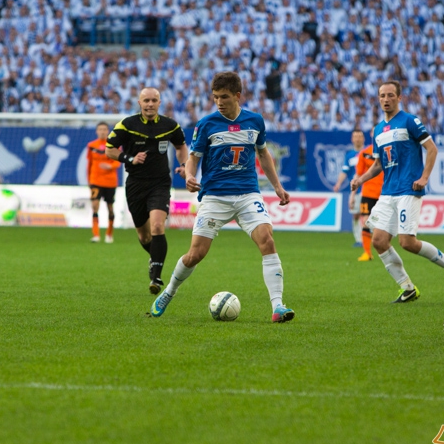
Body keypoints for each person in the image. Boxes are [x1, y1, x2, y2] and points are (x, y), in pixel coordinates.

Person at [149, 71, 295, 323]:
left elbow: (263, 154)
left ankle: (278, 306)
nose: (219, 102)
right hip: (215, 196)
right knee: (196, 254)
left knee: (267, 241)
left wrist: (277, 187)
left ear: (237, 96)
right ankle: (169, 292)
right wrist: (190, 176)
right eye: (215, 97)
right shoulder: (206, 124)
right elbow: (193, 157)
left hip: (248, 193)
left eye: (224, 97)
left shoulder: (255, 121)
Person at [350, 80, 444, 303]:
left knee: (407, 242)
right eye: (382, 95)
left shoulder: (410, 121)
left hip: (408, 190)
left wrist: (424, 178)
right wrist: (361, 179)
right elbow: (379, 163)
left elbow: (432, 148)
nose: (386, 99)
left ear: (399, 98)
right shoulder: (379, 130)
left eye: (391, 95)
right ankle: (407, 288)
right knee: (379, 241)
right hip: (388, 192)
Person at [105, 87, 189, 295]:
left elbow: (180, 146)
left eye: (154, 100)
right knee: (144, 237)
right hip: (135, 184)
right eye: (146, 101)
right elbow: (109, 149)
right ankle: (155, 259)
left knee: (158, 226)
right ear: (139, 103)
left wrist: (185, 165)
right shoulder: (127, 124)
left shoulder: (170, 125)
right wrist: (129, 159)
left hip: (160, 183)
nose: (150, 104)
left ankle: (156, 277)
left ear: (159, 103)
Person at [86, 122, 121, 243]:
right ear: (96, 131)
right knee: (95, 206)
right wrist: (88, 180)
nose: (102, 131)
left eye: (104, 129)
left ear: (108, 131)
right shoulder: (91, 145)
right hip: (95, 180)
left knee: (110, 207)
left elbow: (118, 161)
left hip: (110, 182)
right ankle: (96, 235)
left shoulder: (113, 145)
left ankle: (109, 234)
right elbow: (89, 164)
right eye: (100, 129)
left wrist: (110, 166)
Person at [352, 128, 383, 261]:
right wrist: (352, 195)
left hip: (385, 193)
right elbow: (358, 175)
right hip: (368, 193)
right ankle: (367, 253)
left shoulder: (388, 152)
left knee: (382, 224)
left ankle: (383, 251)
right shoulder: (364, 154)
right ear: (371, 135)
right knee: (365, 221)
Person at [333, 129, 365, 248]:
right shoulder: (350, 156)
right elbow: (344, 172)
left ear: (363, 138)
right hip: (356, 190)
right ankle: (359, 239)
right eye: (355, 136)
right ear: (352, 139)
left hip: (369, 188)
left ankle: (370, 237)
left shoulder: (368, 152)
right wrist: (338, 184)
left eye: (359, 136)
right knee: (356, 214)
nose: (357, 139)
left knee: (368, 214)